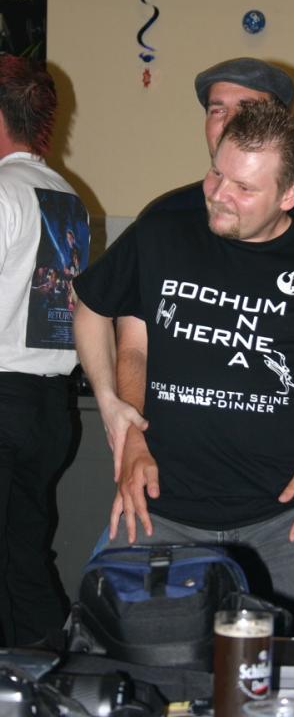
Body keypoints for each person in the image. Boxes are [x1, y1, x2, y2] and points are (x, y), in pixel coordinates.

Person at [74, 100, 294, 636]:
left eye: (244, 188)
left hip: (287, 519)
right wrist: (113, 408)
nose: (219, 194)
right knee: (108, 655)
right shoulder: (160, 237)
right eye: (216, 174)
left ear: (289, 195)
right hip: (159, 508)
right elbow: (92, 307)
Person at [0, 54, 89, 646]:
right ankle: (48, 673)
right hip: (49, 410)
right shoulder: (66, 196)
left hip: (5, 398)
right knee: (21, 557)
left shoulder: (3, 192)